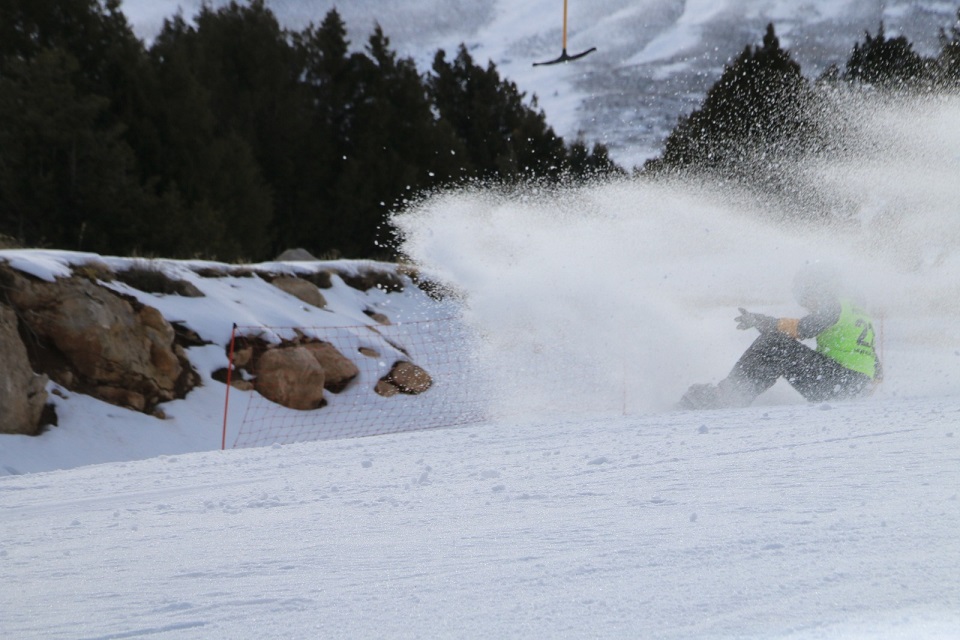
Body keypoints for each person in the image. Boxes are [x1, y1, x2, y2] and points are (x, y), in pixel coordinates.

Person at [679, 264, 882, 409]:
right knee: (778, 344)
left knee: (776, 343)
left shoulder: (835, 305)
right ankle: (734, 392)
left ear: (821, 289)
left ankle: (727, 396)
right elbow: (875, 367)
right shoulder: (858, 312)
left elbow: (804, 328)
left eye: (807, 296)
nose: (807, 305)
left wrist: (762, 321)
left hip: (839, 382)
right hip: (851, 386)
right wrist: (859, 392)